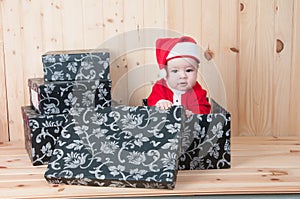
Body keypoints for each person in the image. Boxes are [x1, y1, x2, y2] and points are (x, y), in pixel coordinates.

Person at [147, 36, 211, 116]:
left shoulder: (197, 91)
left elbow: (204, 109)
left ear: (197, 70)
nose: (183, 76)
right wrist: (160, 103)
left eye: (189, 70)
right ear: (166, 73)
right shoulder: (160, 87)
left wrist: (193, 114)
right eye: (175, 71)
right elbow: (151, 102)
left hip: (189, 128)